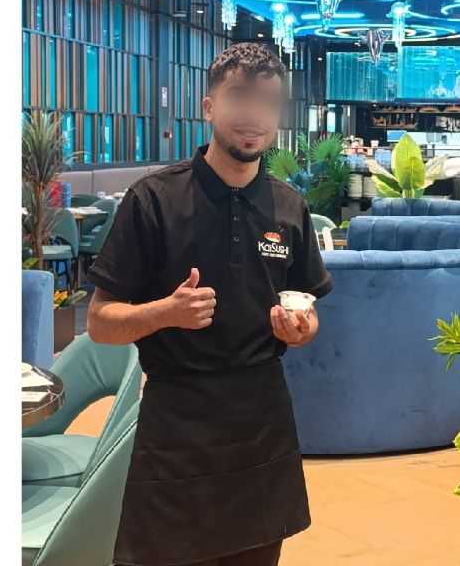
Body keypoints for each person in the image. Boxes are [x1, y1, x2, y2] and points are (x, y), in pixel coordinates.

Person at [86, 42, 334, 566]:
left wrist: (302, 329)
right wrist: (165, 312)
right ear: (208, 106)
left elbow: (309, 312)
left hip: (262, 421)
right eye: (239, 96)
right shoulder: (155, 199)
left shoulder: (288, 207)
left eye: (268, 102)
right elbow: (101, 324)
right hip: (179, 420)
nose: (253, 115)